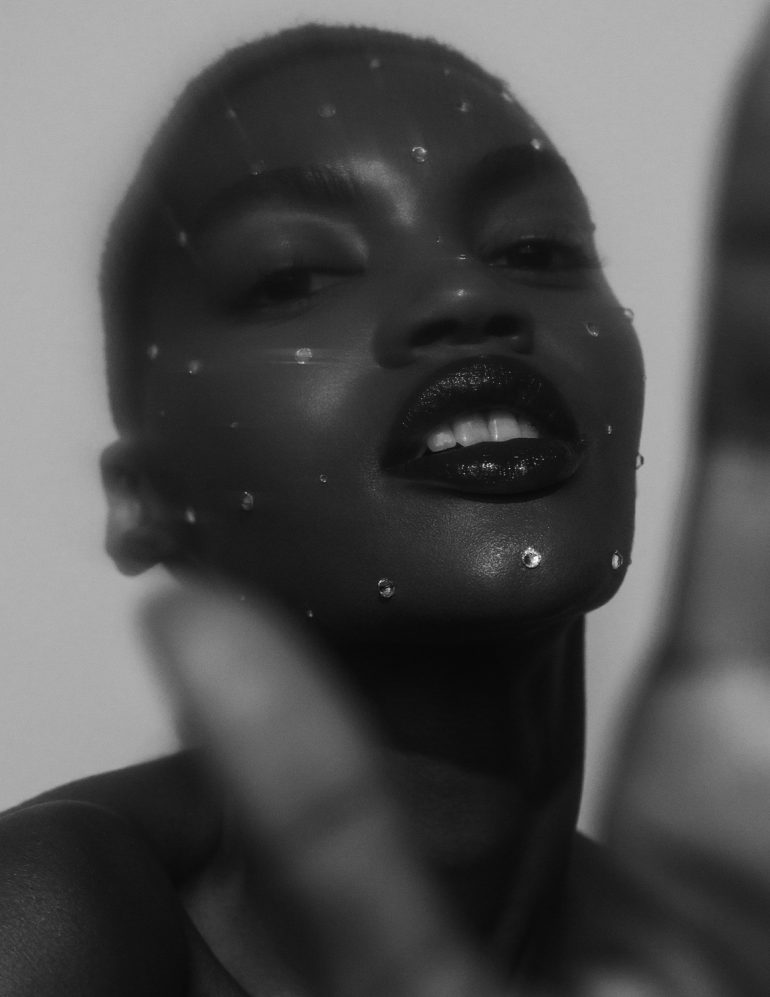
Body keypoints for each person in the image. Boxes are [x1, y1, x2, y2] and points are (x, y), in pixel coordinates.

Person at [0, 19, 766, 997]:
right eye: (293, 273)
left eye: (536, 247)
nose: (462, 292)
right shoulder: (55, 918)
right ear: (144, 501)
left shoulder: (703, 956)